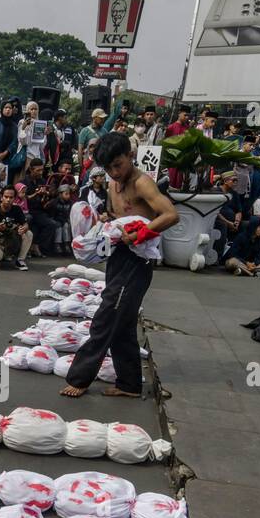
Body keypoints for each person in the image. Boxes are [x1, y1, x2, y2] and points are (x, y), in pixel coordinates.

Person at [61, 132, 178, 399]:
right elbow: (119, 215)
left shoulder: (142, 183)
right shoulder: (113, 183)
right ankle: (129, 384)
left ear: (130, 156)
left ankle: (80, 377)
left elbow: (171, 215)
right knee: (122, 322)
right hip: (118, 254)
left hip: (137, 262)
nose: (114, 172)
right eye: (109, 168)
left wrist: (139, 234)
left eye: (118, 165)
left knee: (106, 317)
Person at [0, 186, 33, 271]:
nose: (8, 199)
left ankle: (20, 260)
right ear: (1, 197)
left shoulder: (17, 209)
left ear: (14, 198)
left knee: (28, 233)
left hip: (11, 239)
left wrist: (24, 228)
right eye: (6, 197)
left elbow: (25, 224)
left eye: (11, 197)